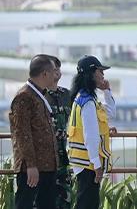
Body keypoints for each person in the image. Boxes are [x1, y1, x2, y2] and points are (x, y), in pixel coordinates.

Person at [12, 54, 63, 209]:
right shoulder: (24, 96)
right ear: (45, 74)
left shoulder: (39, 94)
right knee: (25, 204)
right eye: (54, 71)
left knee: (47, 204)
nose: (56, 75)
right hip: (33, 168)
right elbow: (22, 133)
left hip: (47, 166)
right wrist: (31, 166)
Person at [65, 56, 112, 209]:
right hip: (88, 162)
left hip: (83, 161)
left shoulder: (84, 98)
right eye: (100, 71)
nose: (103, 75)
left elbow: (109, 112)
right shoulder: (88, 102)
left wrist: (107, 91)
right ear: (91, 73)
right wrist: (97, 164)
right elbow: (90, 137)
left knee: (87, 201)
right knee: (87, 203)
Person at [43, 57, 72, 209]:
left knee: (65, 202)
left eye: (59, 68)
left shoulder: (67, 95)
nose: (57, 71)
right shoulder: (39, 95)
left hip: (63, 160)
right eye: (54, 68)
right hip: (45, 160)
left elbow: (80, 120)